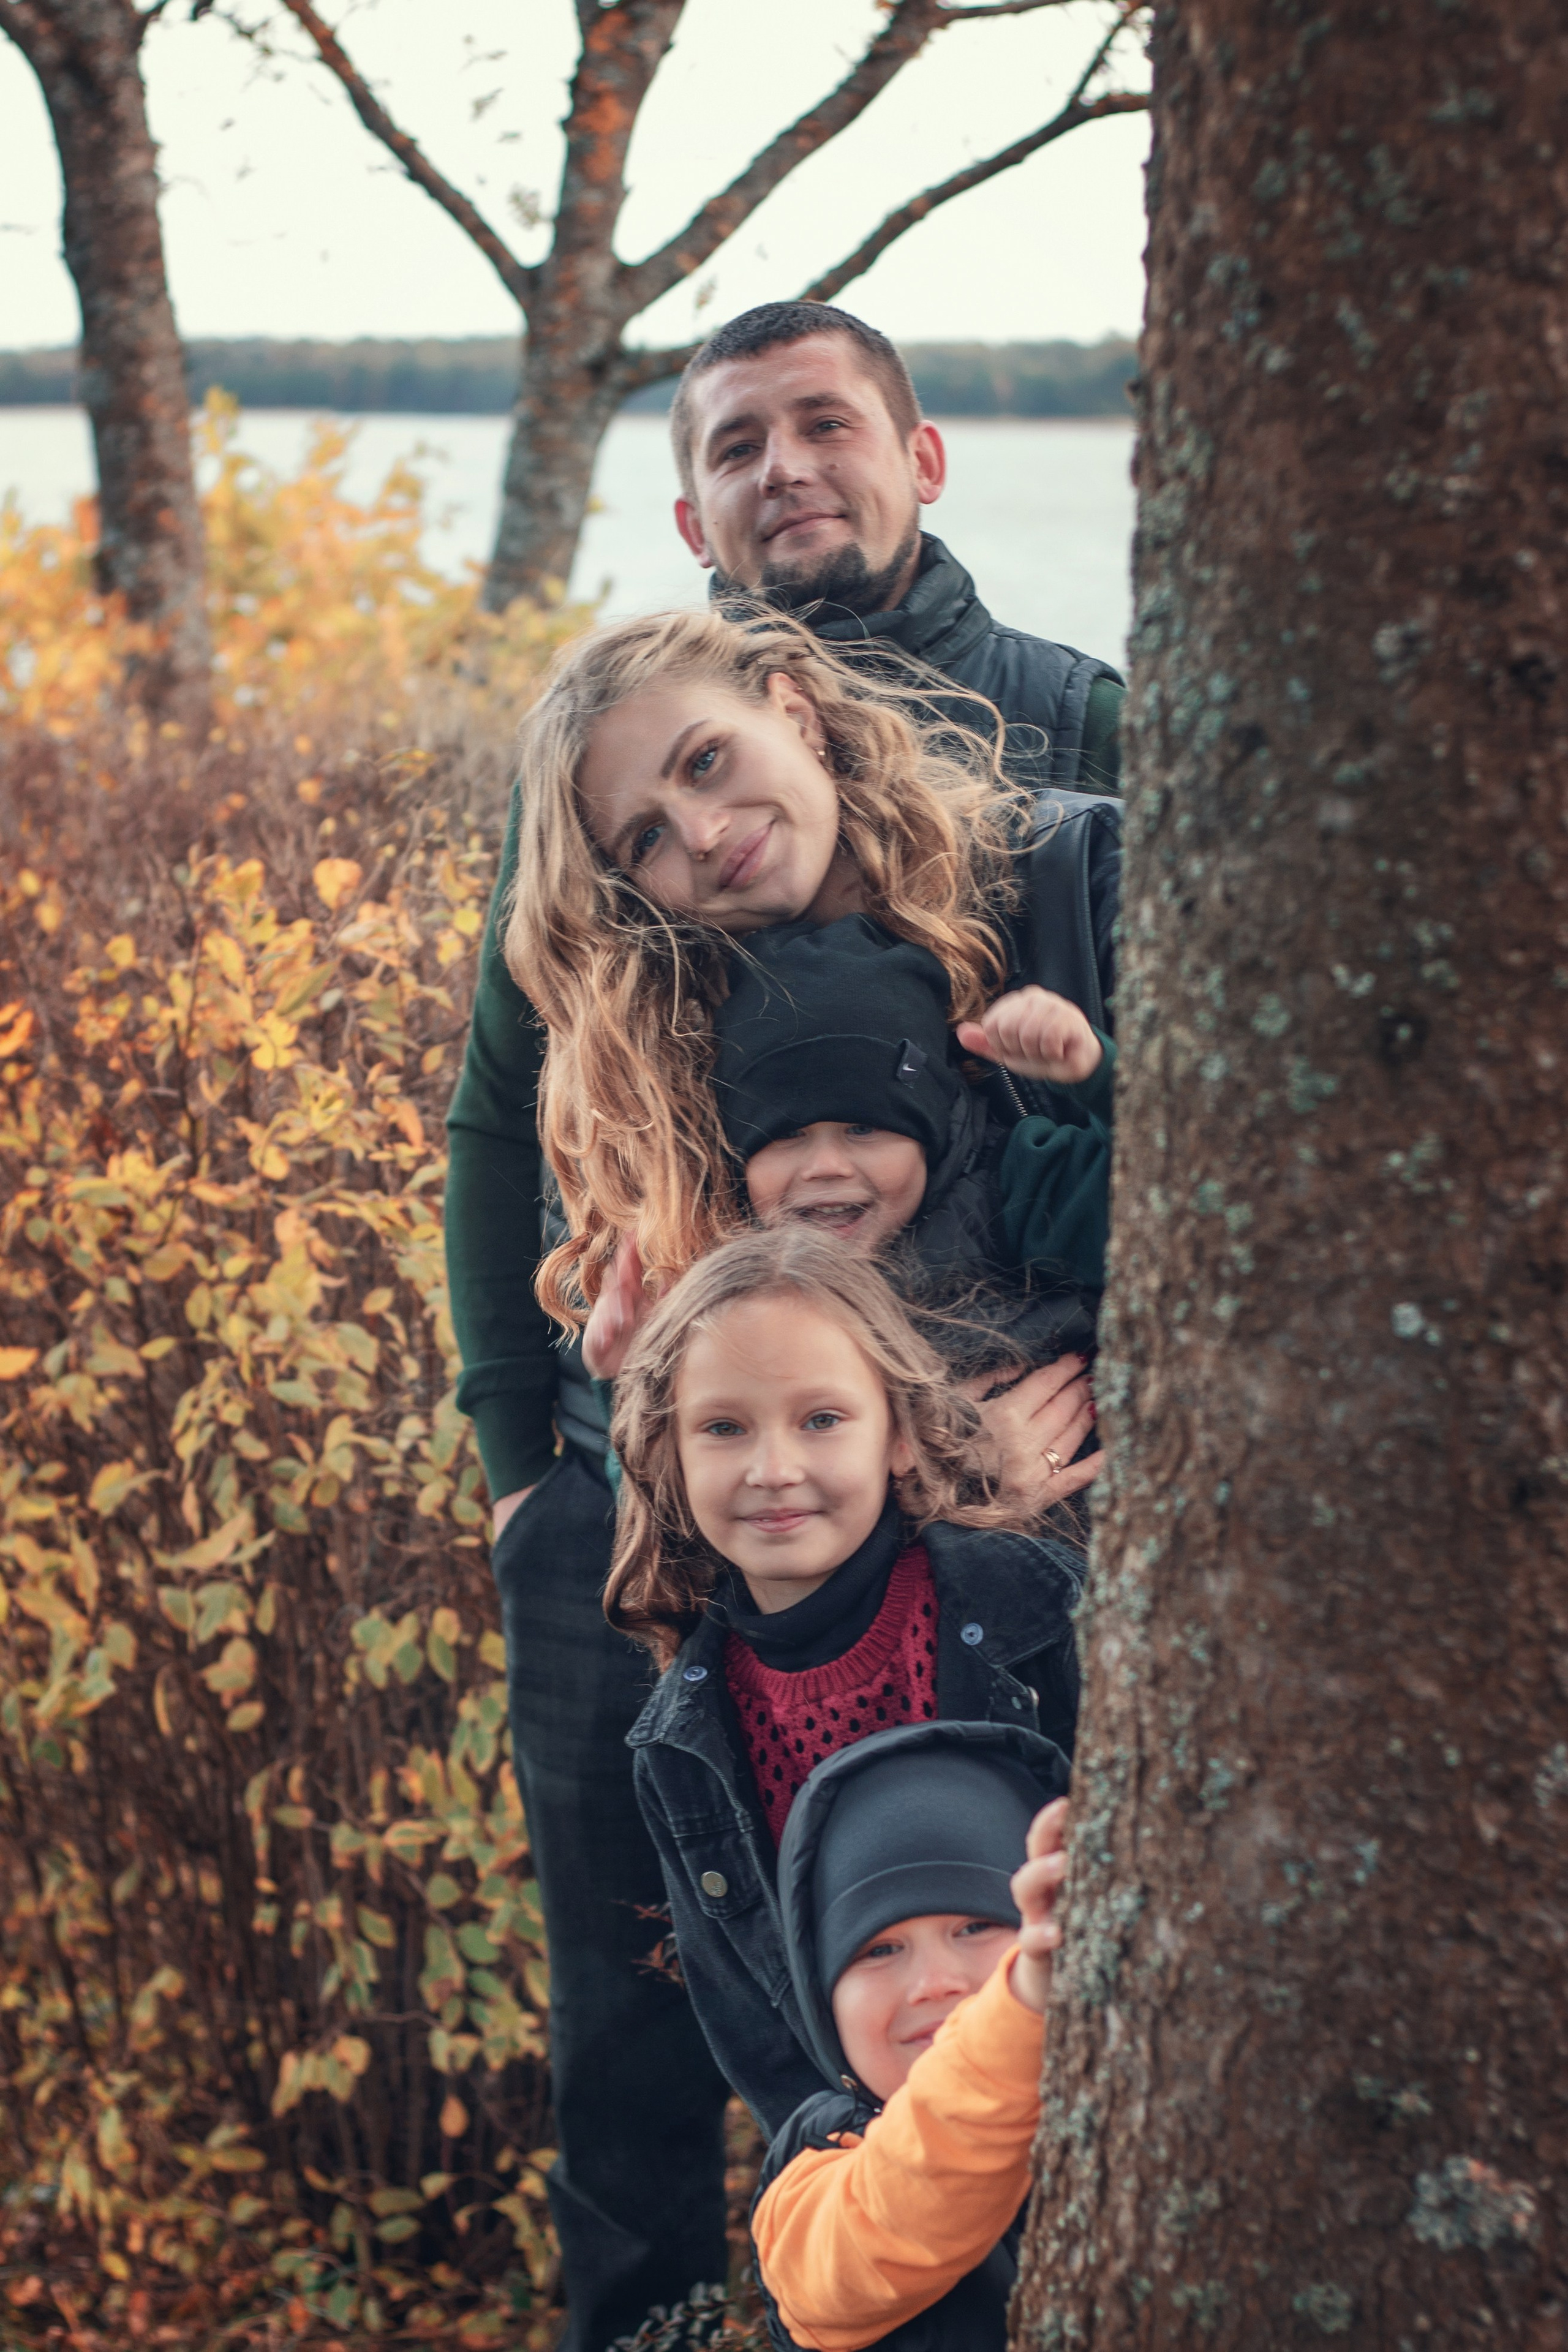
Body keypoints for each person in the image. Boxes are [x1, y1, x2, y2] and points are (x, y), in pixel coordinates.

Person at [445, 304, 1125, 2346]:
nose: (783, 469)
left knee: (937, 1957)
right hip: (650, 1481)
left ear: (922, 456)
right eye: (737, 445)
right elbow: (500, 1123)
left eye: (824, 424)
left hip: (953, 1507)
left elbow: (1132, 1173)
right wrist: (515, 1464)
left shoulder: (1066, 753)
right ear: (692, 516)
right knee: (647, 1980)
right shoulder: (610, 795)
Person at [607, 1224, 1085, 2135]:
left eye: (822, 1420)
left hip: (1071, 2101)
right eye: (723, 1428)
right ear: (668, 1459)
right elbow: (757, 2032)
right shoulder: (683, 1746)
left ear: (900, 1436)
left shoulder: (1033, 1614)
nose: (774, 1470)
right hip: (891, 2160)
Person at [751, 1721, 1071, 2352]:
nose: (934, 1982)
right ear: (822, 1998)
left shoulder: (1145, 2104)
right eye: (879, 1949)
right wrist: (1020, 2001)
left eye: (976, 1926)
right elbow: (909, 2208)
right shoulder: (816, 2170)